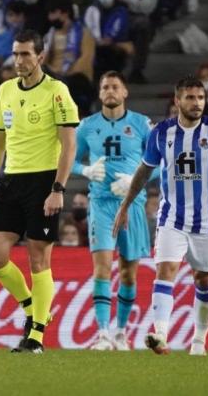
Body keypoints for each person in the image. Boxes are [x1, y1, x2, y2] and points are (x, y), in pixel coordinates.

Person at [113, 75, 208, 356]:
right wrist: (125, 205)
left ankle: (199, 340)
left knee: (204, 279)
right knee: (166, 271)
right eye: (190, 97)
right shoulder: (161, 133)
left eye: (200, 98)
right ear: (177, 101)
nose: (197, 103)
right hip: (171, 217)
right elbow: (144, 171)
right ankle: (160, 334)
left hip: (207, 221)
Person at [0, 29, 79, 353]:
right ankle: (31, 307)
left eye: (26, 54)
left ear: (40, 56)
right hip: (11, 180)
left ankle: (35, 337)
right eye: (16, 54)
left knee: (38, 258)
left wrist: (58, 189)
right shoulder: (6, 90)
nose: (19, 60)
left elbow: (69, 145)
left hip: (44, 181)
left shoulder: (57, 91)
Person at [72, 70, 156, 351]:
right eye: (105, 87)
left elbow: (163, 165)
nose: (109, 91)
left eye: (115, 87)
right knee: (102, 269)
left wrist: (136, 180)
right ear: (99, 94)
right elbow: (65, 161)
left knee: (129, 273)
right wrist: (84, 169)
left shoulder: (142, 124)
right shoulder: (87, 126)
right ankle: (103, 335)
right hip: (101, 204)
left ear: (125, 92)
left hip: (132, 205)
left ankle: (121, 333)